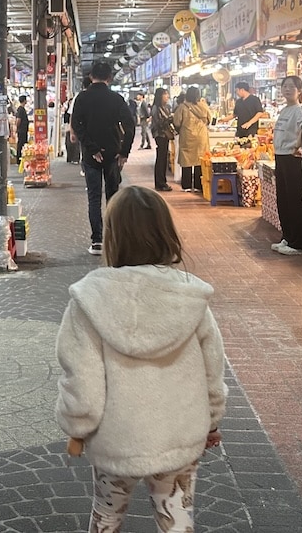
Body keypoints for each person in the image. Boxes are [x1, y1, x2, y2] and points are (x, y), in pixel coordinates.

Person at [55, 185, 227, 533]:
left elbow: (82, 380)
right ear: (166, 233)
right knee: (176, 518)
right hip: (178, 435)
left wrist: (78, 427)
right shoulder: (190, 296)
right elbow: (213, 369)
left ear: (112, 236)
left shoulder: (89, 299)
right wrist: (211, 421)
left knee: (106, 516)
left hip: (115, 439)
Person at [71, 60, 135, 255]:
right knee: (113, 197)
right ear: (110, 78)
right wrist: (124, 152)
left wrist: (91, 148)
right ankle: (114, 238)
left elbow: (77, 125)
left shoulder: (82, 98)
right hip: (113, 154)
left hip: (91, 157)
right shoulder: (116, 99)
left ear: (91, 77)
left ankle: (97, 241)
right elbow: (130, 126)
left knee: (94, 197)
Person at [271, 75, 302, 256]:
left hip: (292, 159)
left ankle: (299, 243)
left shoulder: (299, 111)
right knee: (284, 200)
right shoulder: (284, 110)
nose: (287, 89)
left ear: (299, 91)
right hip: (280, 157)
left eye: (291, 87)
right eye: (284, 86)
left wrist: (296, 146)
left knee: (295, 201)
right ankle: (287, 237)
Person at [173, 86, 212, 193]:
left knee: (187, 160)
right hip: (201, 137)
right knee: (200, 159)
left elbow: (176, 122)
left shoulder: (182, 107)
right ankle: (198, 186)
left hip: (187, 136)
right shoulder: (204, 106)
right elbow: (210, 119)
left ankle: (187, 186)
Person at [149, 87, 175, 191]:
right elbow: (159, 123)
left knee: (163, 158)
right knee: (161, 158)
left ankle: (162, 182)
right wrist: (170, 118)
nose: (167, 96)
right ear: (160, 96)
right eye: (165, 94)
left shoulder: (165, 107)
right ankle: (160, 183)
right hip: (160, 135)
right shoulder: (156, 108)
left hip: (165, 135)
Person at [14, 94, 30, 166]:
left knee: (23, 144)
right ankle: (19, 160)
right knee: (21, 144)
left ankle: (22, 160)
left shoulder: (22, 109)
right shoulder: (20, 109)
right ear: (24, 101)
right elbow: (18, 120)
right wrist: (17, 128)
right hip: (21, 130)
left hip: (23, 130)